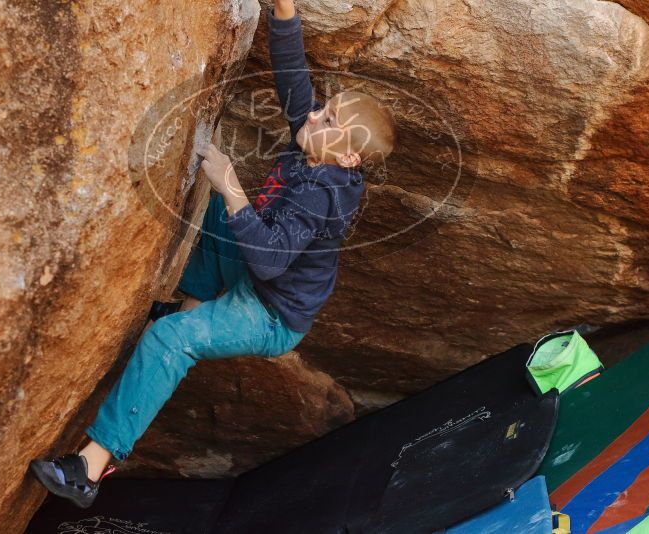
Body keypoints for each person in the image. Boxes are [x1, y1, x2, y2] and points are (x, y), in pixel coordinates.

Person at [29, 0, 397, 508]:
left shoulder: (323, 193)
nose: (315, 113)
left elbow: (271, 261)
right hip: (256, 277)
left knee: (169, 339)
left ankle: (89, 469)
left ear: (349, 155)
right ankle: (194, 307)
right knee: (223, 218)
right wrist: (284, 11)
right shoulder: (314, 143)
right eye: (323, 108)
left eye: (329, 117)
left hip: (270, 313)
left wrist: (232, 188)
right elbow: (294, 81)